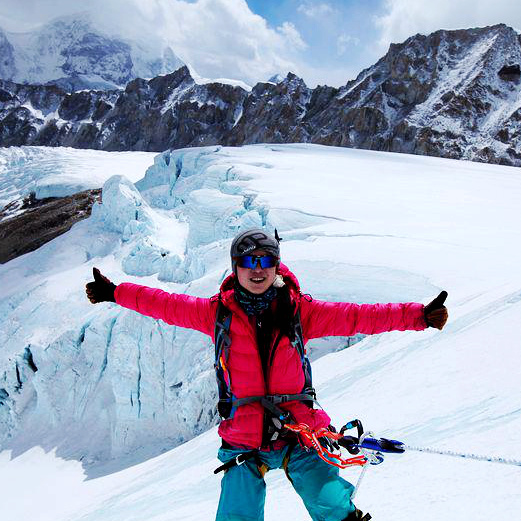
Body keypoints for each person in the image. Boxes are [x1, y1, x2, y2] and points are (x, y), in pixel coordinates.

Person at [86, 228, 448, 521]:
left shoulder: (300, 312)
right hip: (244, 440)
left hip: (300, 432)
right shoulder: (217, 314)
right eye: (248, 262)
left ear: (276, 266)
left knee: (333, 506)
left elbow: (359, 316)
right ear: (235, 267)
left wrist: (417, 315)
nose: (257, 270)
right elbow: (162, 303)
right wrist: (114, 292)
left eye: (265, 261)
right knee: (236, 516)